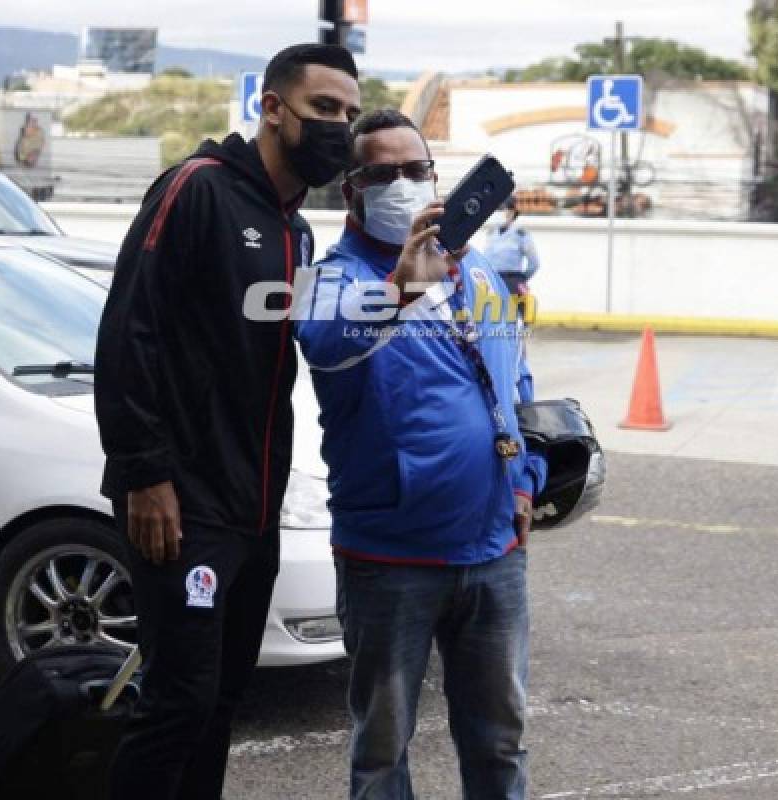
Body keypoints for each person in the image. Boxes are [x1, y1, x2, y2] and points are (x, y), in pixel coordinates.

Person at [94, 44, 360, 799]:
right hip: (182, 506)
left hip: (253, 508)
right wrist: (145, 474)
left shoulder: (296, 229)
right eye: (322, 110)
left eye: (347, 112)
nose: (337, 127)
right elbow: (126, 336)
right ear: (272, 108)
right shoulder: (197, 188)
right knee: (176, 703)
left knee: (218, 705)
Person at [293, 108, 547, 800]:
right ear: (352, 190)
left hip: (494, 553)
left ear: (438, 178)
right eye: (383, 173)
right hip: (389, 561)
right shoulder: (332, 278)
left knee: (501, 744)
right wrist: (402, 285)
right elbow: (324, 341)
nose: (404, 184)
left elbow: (516, 384)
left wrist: (523, 480)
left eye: (416, 170)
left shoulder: (482, 275)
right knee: (382, 750)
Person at [484, 194, 541, 299]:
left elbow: (534, 263)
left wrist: (520, 279)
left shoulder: (521, 234)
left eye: (503, 209)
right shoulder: (491, 233)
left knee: (515, 314)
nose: (500, 213)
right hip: (492, 282)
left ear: (512, 212)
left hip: (512, 281)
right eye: (497, 209)